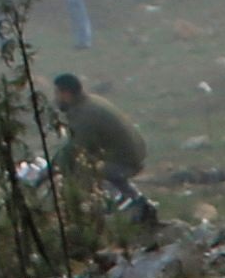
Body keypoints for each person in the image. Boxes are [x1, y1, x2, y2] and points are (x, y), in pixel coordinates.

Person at [51, 72, 158, 238]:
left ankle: (97, 221)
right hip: (131, 155)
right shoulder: (90, 103)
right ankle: (139, 205)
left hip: (123, 161)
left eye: (57, 93)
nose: (56, 98)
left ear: (66, 93)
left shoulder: (85, 114)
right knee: (99, 169)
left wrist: (56, 168)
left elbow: (78, 149)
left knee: (84, 174)